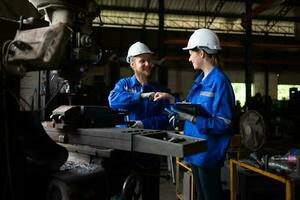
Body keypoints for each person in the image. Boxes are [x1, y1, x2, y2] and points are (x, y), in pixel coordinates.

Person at [154, 28, 235, 200]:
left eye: (191, 53)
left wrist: (194, 119)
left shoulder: (220, 82)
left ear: (202, 53)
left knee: (210, 196)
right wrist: (171, 100)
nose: (189, 58)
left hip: (208, 153)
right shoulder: (200, 81)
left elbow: (225, 123)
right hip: (195, 151)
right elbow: (189, 107)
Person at [108, 41, 174, 200]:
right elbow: (113, 101)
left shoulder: (159, 89)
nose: (148, 64)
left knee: (151, 190)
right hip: (126, 147)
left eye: (149, 60)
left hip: (150, 148)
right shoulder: (123, 85)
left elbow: (166, 118)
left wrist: (145, 124)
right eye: (142, 61)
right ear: (132, 64)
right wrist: (140, 96)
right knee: (124, 191)